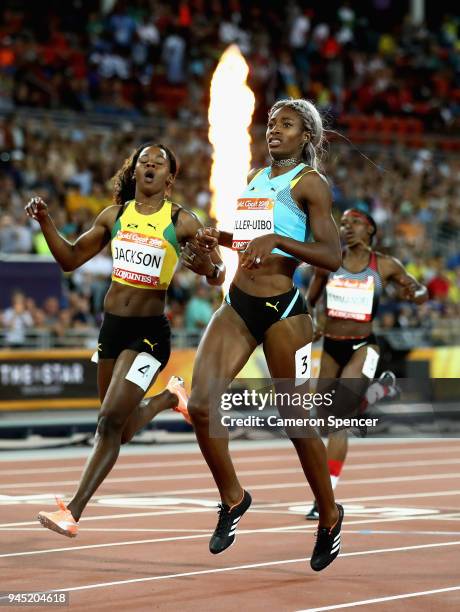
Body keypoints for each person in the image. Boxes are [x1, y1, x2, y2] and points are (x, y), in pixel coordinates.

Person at [27, 142, 225, 537]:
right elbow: (69, 260)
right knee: (118, 428)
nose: (149, 166)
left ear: (169, 178)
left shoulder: (181, 220)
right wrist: (46, 221)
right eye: (143, 161)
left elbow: (218, 273)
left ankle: (74, 510)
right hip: (112, 330)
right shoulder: (114, 216)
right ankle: (171, 397)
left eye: (159, 163)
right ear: (134, 172)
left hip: (148, 335)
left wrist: (209, 267)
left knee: (107, 421)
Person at [187, 98, 344, 572]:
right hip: (239, 303)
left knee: (295, 422)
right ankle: (233, 498)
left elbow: (331, 256)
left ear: (306, 138)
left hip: (284, 311)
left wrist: (277, 241)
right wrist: (221, 240)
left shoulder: (311, 184)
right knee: (199, 405)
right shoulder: (257, 178)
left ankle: (330, 516)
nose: (274, 130)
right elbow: (251, 240)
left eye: (287, 124)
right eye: (272, 123)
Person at [305, 208, 428, 520]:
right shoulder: (330, 261)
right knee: (324, 418)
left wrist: (418, 293)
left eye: (354, 223)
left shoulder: (383, 265)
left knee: (341, 413)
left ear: (370, 229)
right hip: (332, 346)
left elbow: (416, 288)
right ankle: (376, 392)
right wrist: (316, 322)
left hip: (363, 346)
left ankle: (325, 498)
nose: (346, 228)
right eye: (343, 224)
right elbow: (311, 301)